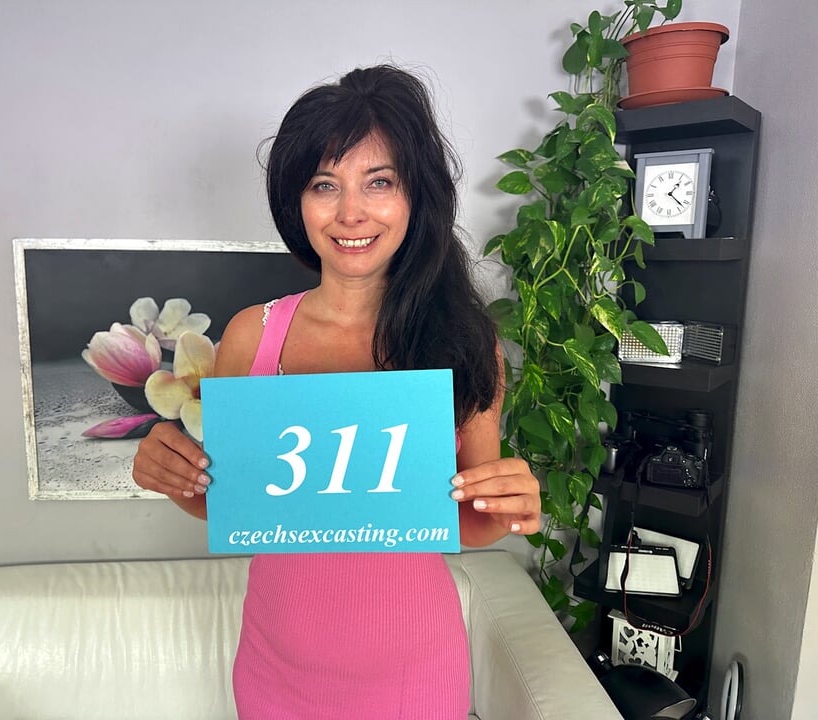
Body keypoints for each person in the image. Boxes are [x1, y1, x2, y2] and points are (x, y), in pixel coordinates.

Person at [132, 65, 541, 719]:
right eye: (325, 184)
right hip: (275, 677)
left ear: (416, 195)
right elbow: (233, 506)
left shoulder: (463, 342)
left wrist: (511, 506)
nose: (351, 212)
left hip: (417, 680)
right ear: (296, 201)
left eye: (380, 181)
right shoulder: (251, 337)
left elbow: (469, 519)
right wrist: (172, 473)